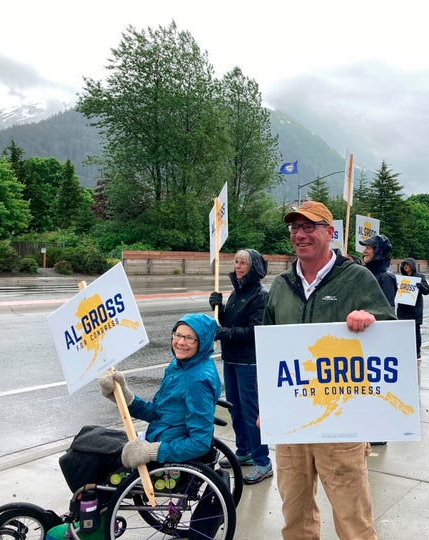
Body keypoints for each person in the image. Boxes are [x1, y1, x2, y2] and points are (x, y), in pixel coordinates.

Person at [263, 200, 396, 540]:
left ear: (330, 233)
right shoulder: (281, 286)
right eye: (295, 228)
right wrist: (269, 405)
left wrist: (371, 320)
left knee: (353, 521)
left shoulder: (355, 278)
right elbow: (268, 352)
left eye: (309, 227)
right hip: (292, 422)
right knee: (295, 517)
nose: (300, 234)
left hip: (341, 421)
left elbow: (390, 333)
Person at [98, 313, 221, 468]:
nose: (181, 342)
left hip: (168, 447)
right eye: (178, 335)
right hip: (160, 433)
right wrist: (124, 395)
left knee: (93, 455)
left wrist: (152, 451)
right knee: (92, 436)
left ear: (202, 343)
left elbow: (200, 443)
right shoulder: (177, 366)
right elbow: (158, 413)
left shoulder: (198, 381)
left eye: (190, 338)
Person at [209, 248, 272, 484]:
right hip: (232, 359)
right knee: (235, 409)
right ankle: (244, 450)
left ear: (253, 267)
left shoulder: (260, 295)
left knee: (251, 412)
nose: (238, 266)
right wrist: (219, 309)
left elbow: (255, 331)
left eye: (243, 263)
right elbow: (228, 323)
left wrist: (224, 332)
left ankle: (262, 461)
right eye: (236, 262)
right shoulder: (237, 292)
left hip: (249, 362)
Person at [396, 257, 429, 362]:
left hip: (415, 309)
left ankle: (417, 352)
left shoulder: (420, 277)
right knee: (403, 331)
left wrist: (421, 287)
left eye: (408, 265)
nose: (406, 267)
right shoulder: (402, 278)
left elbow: (427, 291)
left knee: (415, 331)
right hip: (403, 309)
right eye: (404, 265)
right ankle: (405, 350)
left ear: (412, 266)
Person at [359, 234, 398, 308]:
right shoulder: (367, 272)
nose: (364, 251)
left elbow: (387, 309)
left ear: (378, 251)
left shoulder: (386, 277)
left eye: (368, 248)